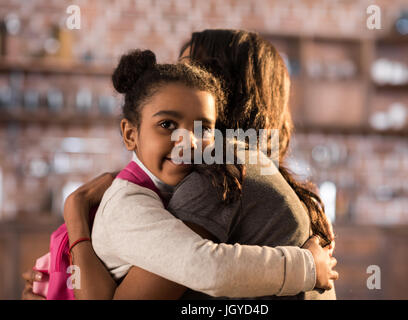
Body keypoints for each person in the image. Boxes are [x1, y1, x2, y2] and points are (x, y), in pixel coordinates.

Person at [22, 30, 338, 300]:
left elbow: (205, 267)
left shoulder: (220, 174)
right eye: (169, 123)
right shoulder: (247, 165)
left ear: (223, 92)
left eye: (189, 70)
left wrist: (75, 212)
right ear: (129, 132)